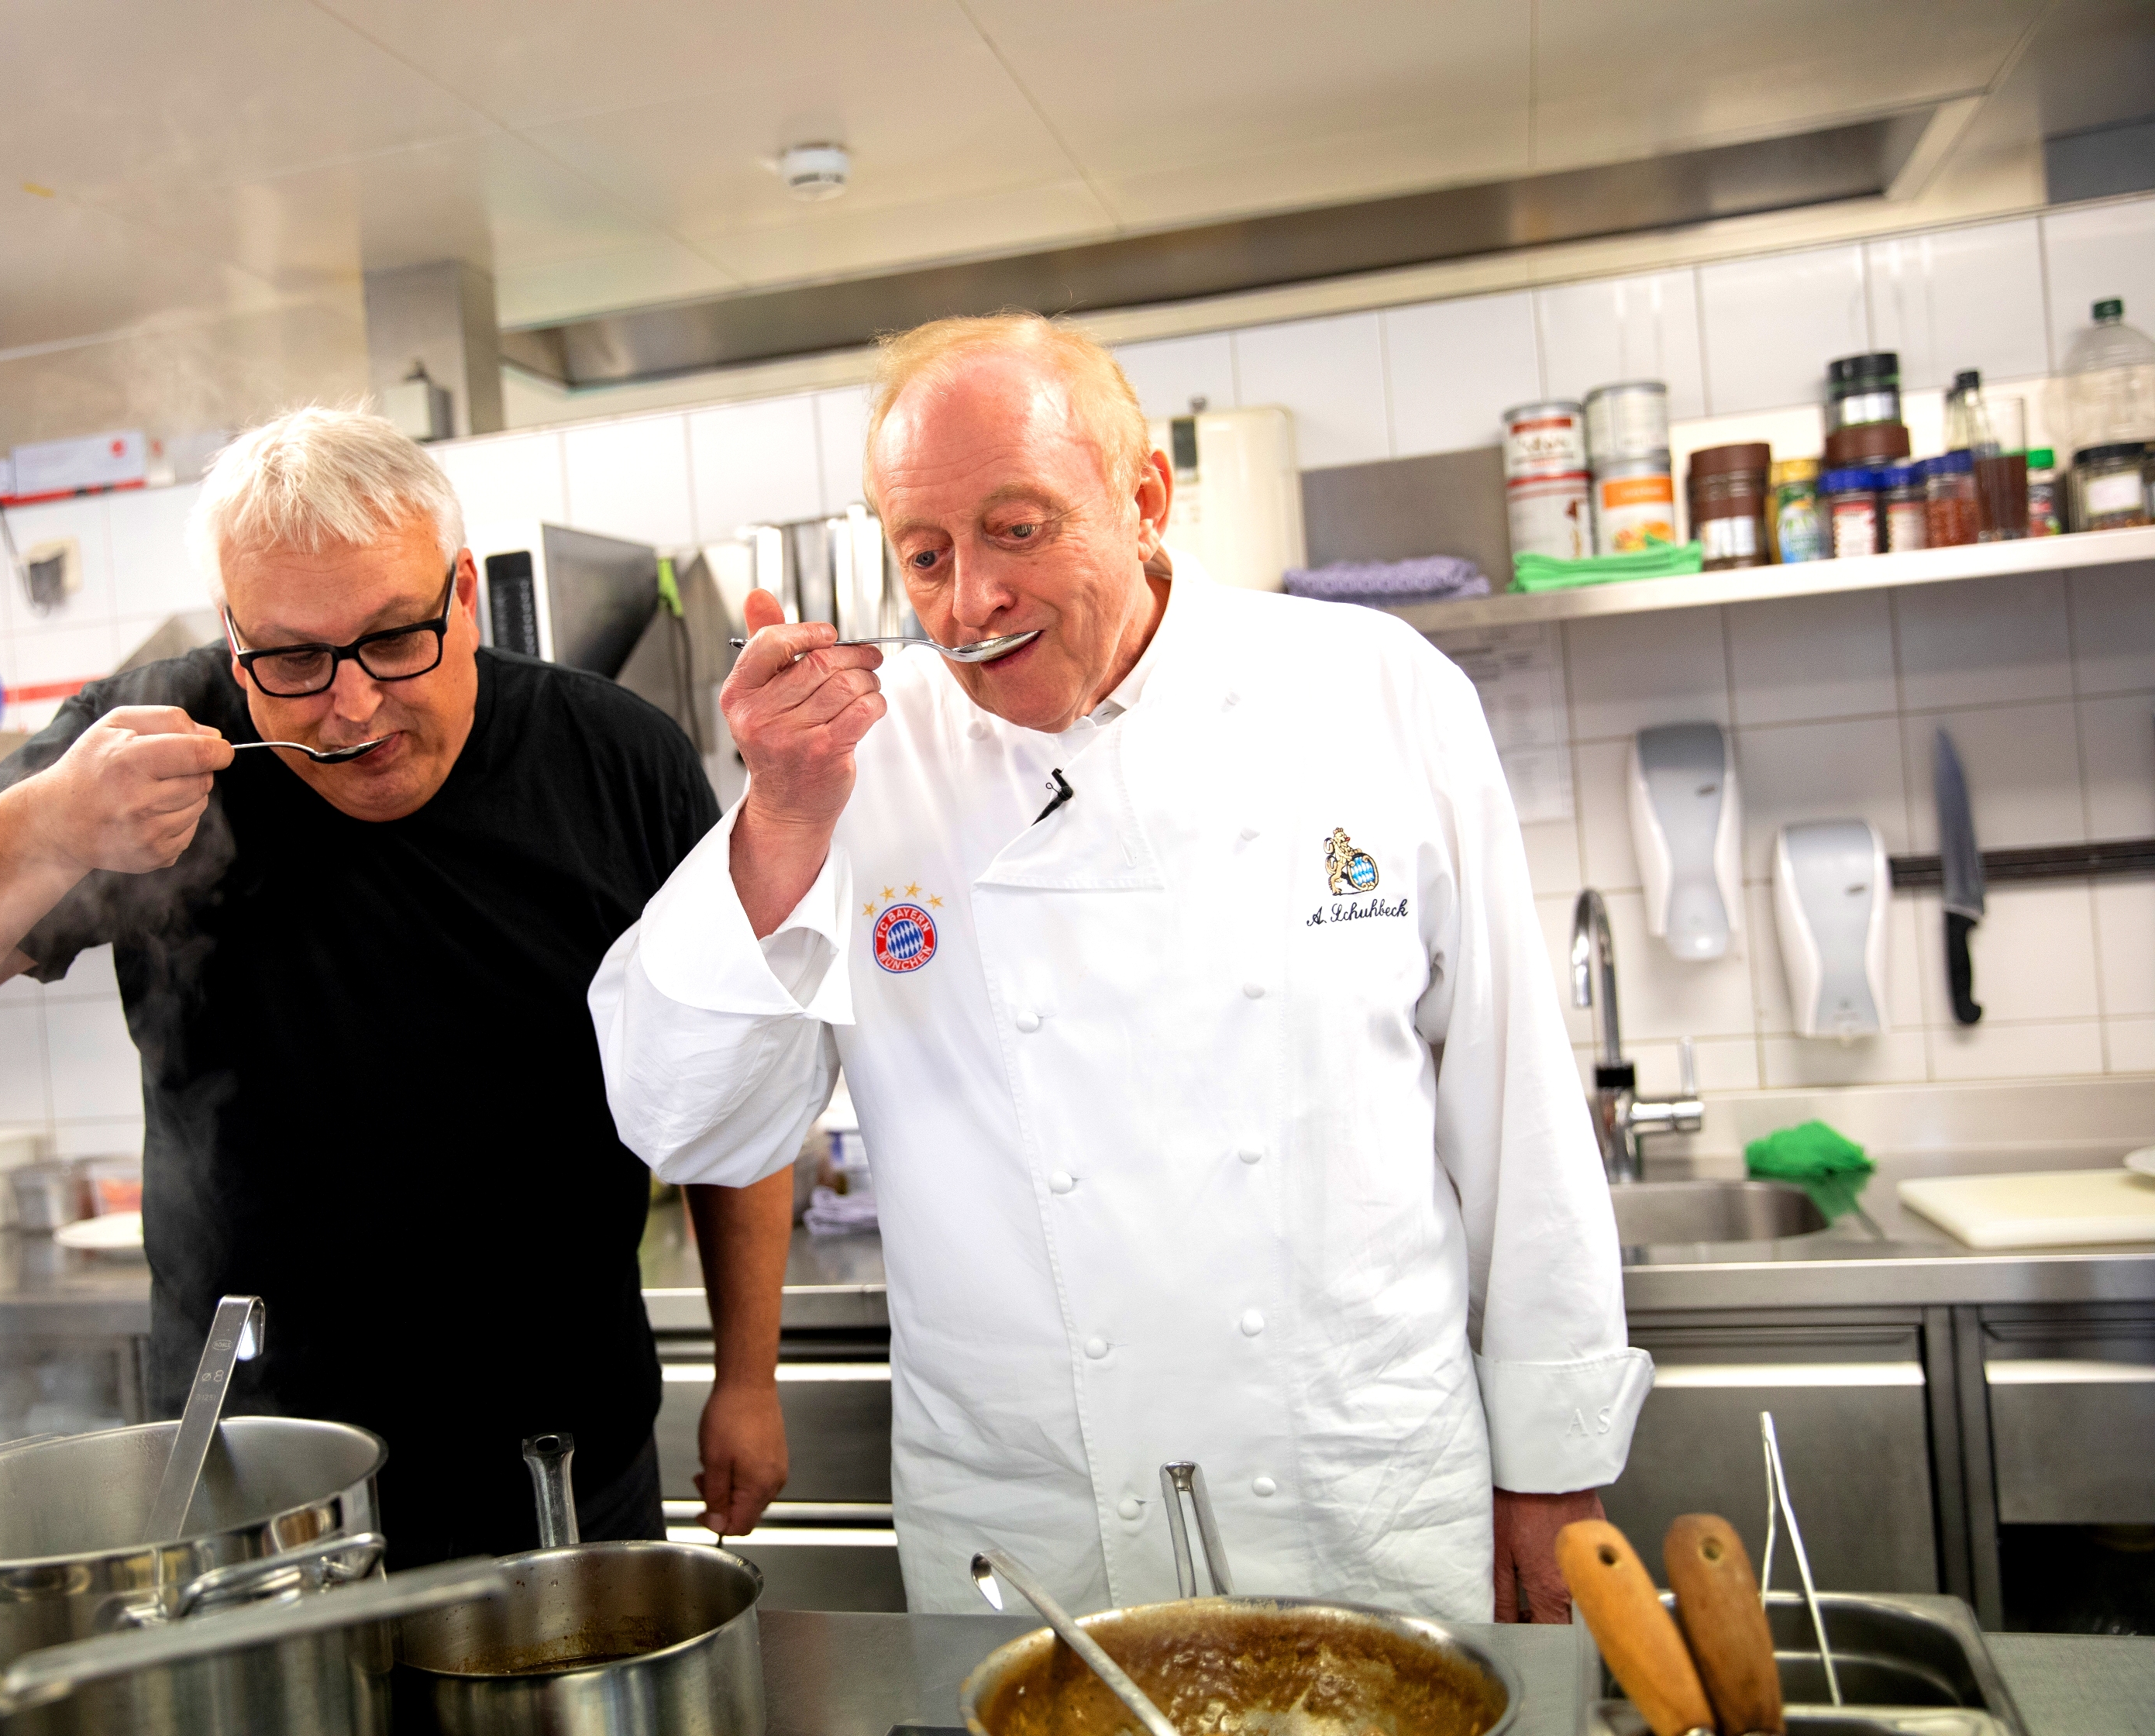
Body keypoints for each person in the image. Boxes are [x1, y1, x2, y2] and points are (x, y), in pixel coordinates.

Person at [590, 316, 1650, 1623]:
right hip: (1036, 1531)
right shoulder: (854, 766)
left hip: (1347, 1487)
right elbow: (683, 1117)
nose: (969, 601)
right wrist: (782, 818)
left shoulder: (1373, 692)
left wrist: (1553, 1469)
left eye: (1016, 529)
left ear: (1144, 499)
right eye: (926, 555)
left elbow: (1514, 1105)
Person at [0, 408, 793, 1562]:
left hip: (561, 1465)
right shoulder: (137, 756)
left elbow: (736, 1082)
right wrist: (45, 825)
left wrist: (747, 1376)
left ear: (464, 596)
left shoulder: (614, 760)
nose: (351, 706)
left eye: (394, 639)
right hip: (255, 1482)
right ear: (233, 635)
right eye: (294, 660)